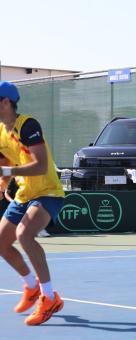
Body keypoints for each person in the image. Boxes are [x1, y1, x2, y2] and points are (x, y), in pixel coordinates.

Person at [0, 81, 64, 325]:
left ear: (6, 102)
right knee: (2, 243)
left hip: (48, 191)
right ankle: (31, 286)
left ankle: (49, 298)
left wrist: (6, 171)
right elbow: (5, 161)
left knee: (24, 235)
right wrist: (3, 183)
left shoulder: (28, 125)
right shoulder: (0, 131)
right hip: (24, 193)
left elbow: (41, 165)